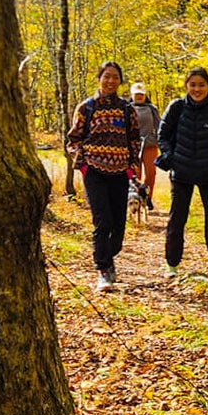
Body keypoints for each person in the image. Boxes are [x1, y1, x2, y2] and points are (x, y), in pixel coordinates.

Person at [66, 61, 141, 292]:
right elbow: (73, 141)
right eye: (106, 76)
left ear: (120, 81)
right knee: (102, 221)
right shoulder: (86, 108)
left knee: (118, 226)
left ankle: (109, 256)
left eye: (115, 77)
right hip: (94, 173)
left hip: (120, 173)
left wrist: (133, 166)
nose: (110, 81)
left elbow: (134, 140)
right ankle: (103, 269)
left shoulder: (127, 109)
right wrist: (83, 165)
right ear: (99, 78)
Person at [158, 67, 208, 286]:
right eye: (193, 84)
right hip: (182, 172)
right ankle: (171, 265)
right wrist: (170, 156)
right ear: (186, 85)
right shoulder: (176, 107)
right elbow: (162, 135)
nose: (197, 89)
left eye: (201, 85)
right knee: (177, 219)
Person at [130, 83, 162, 206]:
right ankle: (136, 198)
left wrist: (159, 141)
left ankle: (147, 198)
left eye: (141, 94)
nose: (139, 97)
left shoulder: (151, 109)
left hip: (149, 145)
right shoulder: (127, 108)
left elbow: (159, 126)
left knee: (150, 173)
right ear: (132, 95)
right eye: (136, 94)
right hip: (133, 146)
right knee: (135, 174)